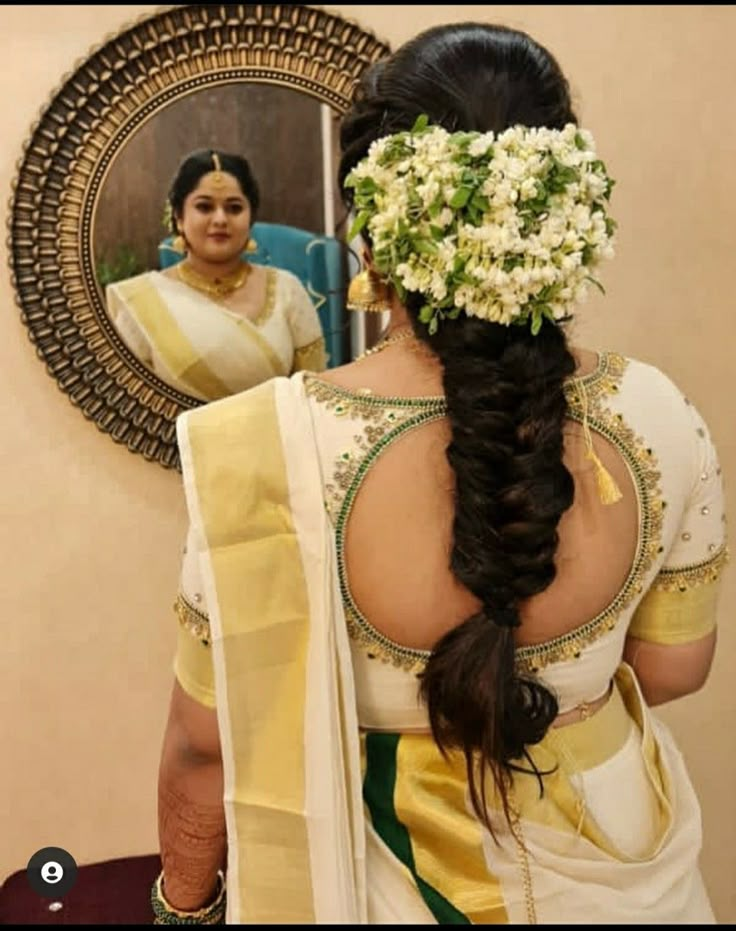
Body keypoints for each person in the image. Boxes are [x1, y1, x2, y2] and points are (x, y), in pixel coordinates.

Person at [154, 23, 729, 924]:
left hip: (387, 881)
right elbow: (673, 667)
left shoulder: (267, 447)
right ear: (557, 213)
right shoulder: (659, 410)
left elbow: (204, 744)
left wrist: (180, 907)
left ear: (371, 230)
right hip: (633, 874)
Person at [106, 149, 327, 401]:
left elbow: (314, 395)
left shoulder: (286, 290)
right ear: (179, 217)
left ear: (250, 218)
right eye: (204, 207)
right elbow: (131, 405)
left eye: (234, 208)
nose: (220, 219)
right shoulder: (143, 302)